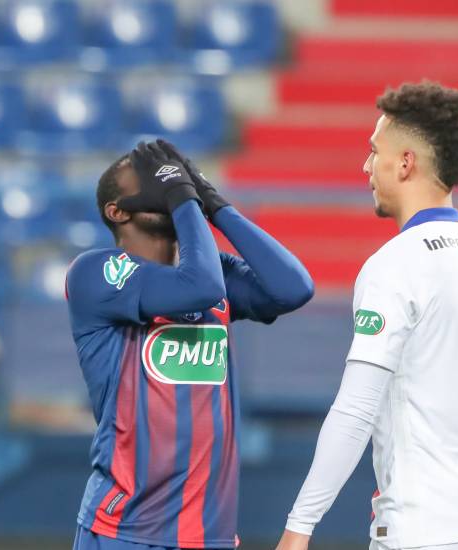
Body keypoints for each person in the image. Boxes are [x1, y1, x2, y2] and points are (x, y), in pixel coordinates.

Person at [275, 81, 458, 550]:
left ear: (406, 162)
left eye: (375, 152)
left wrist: (300, 524)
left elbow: (355, 409)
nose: (366, 166)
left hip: (421, 530)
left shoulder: (396, 265)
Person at [66, 140, 314, 550]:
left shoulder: (211, 273)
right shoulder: (95, 274)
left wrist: (215, 205)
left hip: (208, 533)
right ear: (117, 210)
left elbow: (295, 288)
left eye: (167, 175)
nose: (163, 181)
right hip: (124, 530)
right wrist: (182, 197)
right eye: (147, 178)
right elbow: (197, 287)